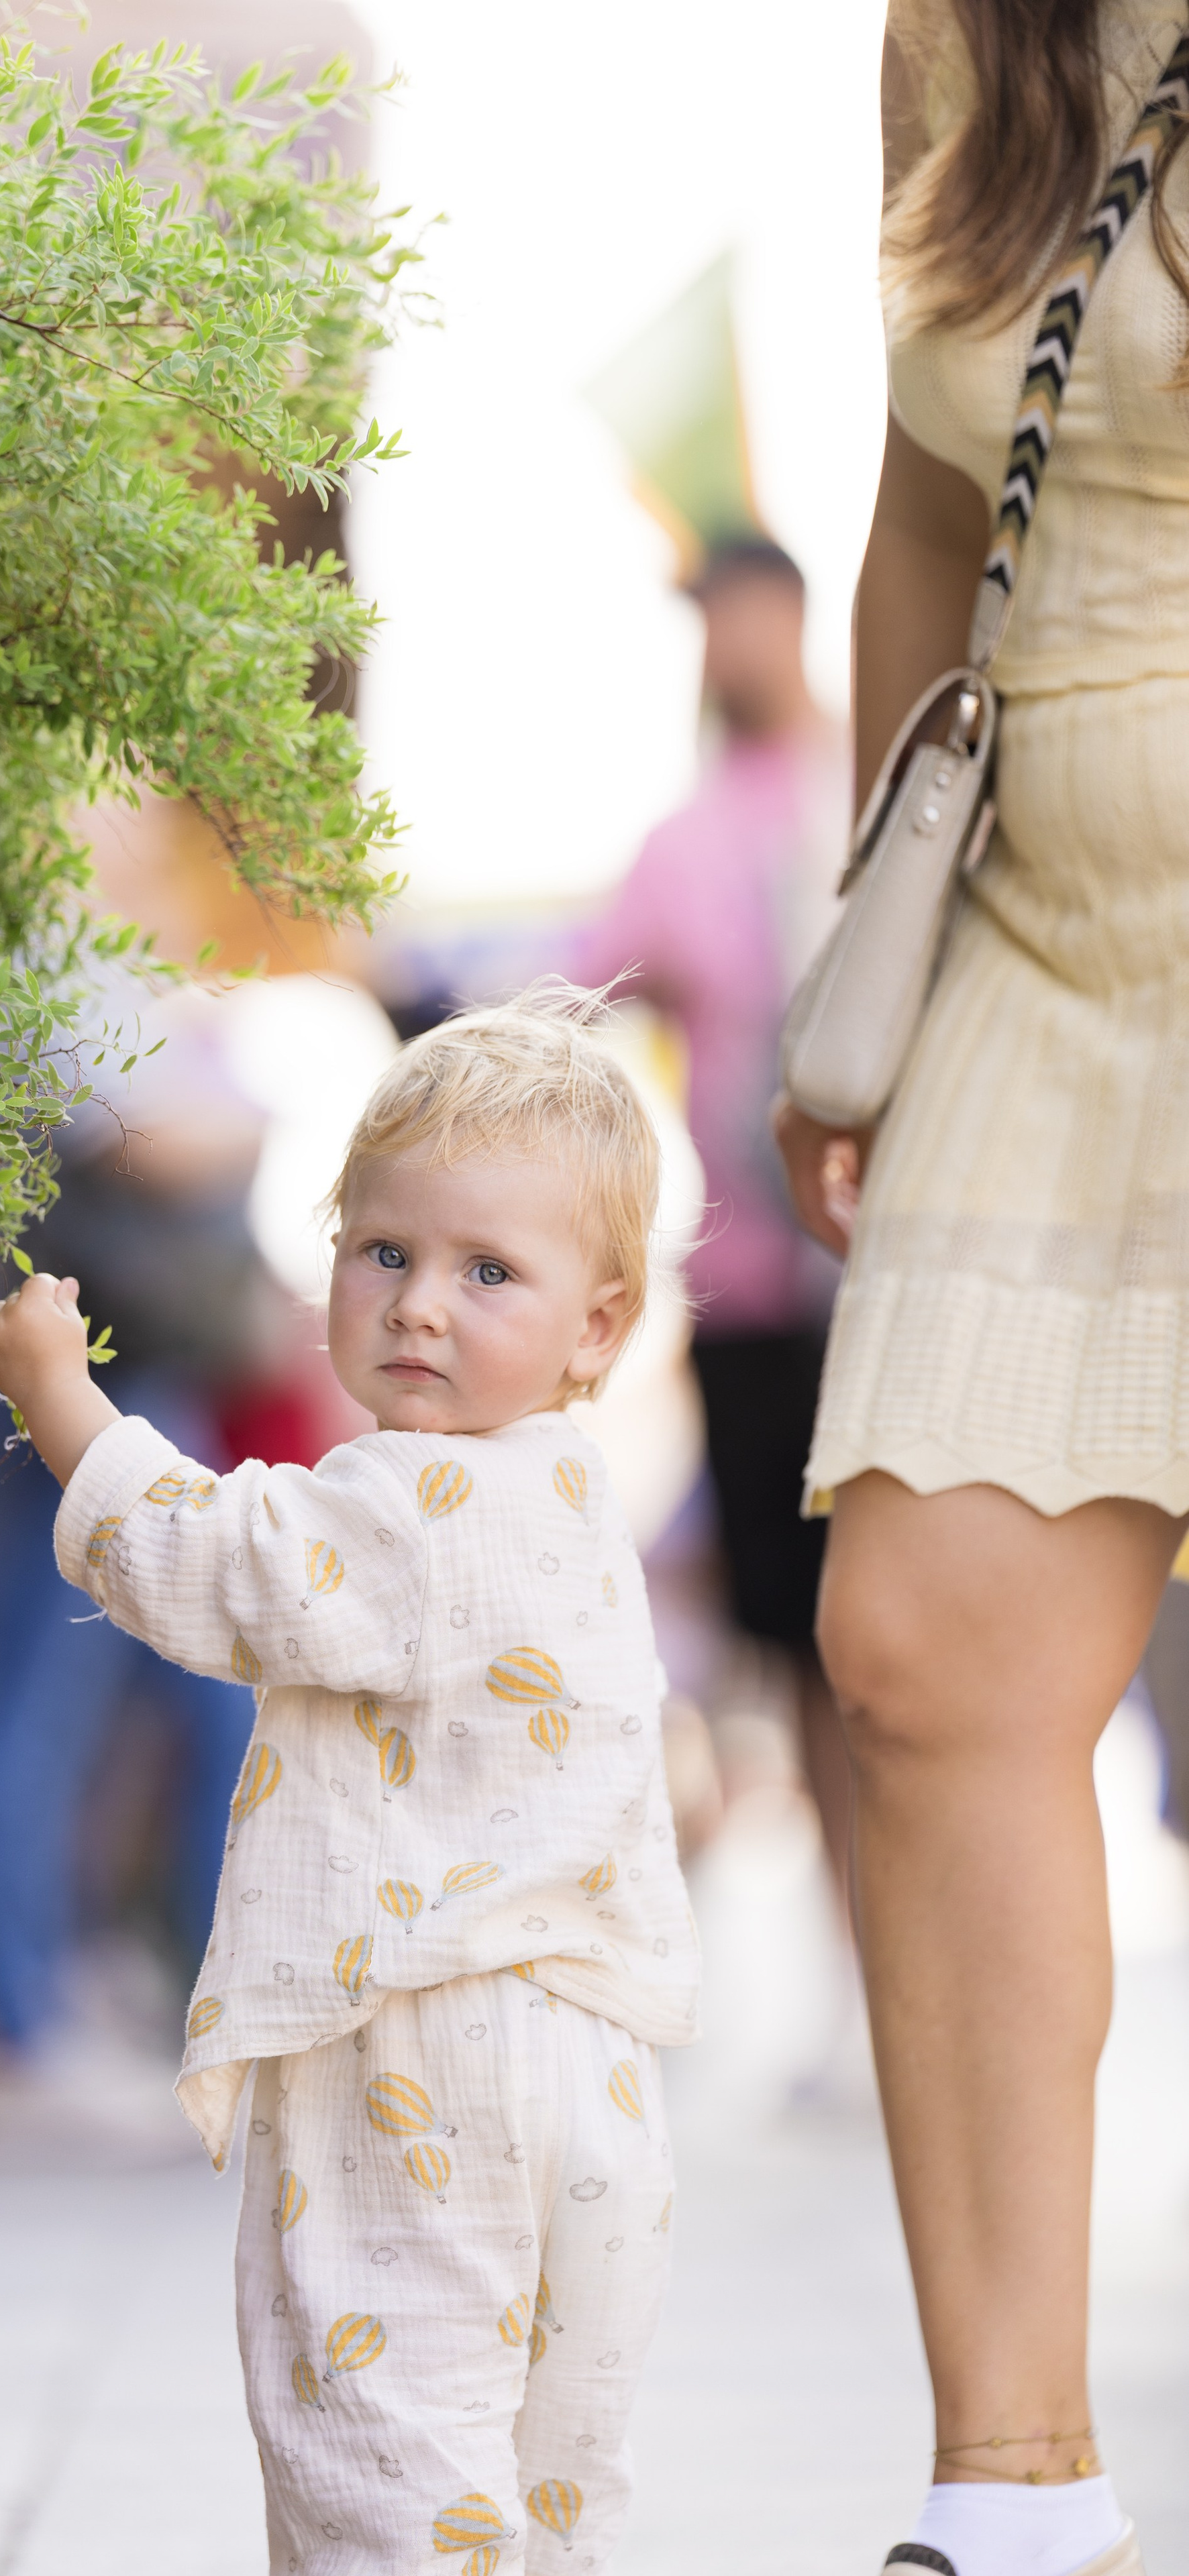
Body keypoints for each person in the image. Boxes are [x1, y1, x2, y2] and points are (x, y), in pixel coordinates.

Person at [0, 990, 696, 2571]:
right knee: (548, 2473)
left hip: (420, 2059)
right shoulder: (567, 1490)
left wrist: (61, 1399)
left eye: (485, 1271)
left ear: (597, 1326)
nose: (420, 1305)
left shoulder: (409, 1497)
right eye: (385, 1252)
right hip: (597, 2078)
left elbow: (226, 1566)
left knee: (378, 2453)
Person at [770, 9, 1189, 2575]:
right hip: (1043, 918)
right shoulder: (968, 23)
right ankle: (1013, 2491)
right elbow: (930, 514)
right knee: (922, 1635)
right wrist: (871, 955)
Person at [576, 535, 854, 1910]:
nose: (716, 648)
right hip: (750, 1291)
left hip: (880, 1285)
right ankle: (838, 1974)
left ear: (785, 615)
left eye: (730, 618)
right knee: (785, 1636)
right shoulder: (678, 843)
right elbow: (569, 991)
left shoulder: (869, 792)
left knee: (883, 1639)